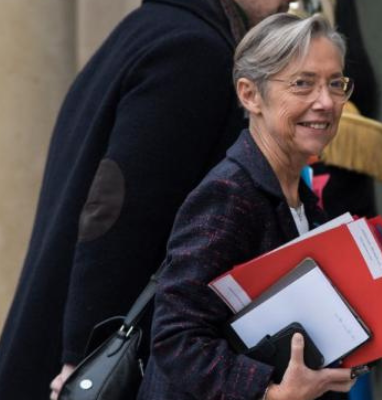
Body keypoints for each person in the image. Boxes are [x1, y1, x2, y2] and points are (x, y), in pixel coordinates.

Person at [0, 1, 291, 399]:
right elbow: (120, 214)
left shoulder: (149, 30)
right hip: (101, 368)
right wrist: (86, 356)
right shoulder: (191, 51)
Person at [138, 13, 357, 400]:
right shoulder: (229, 194)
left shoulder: (304, 202)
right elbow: (175, 338)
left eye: (335, 84)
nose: (326, 102)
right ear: (250, 94)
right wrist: (271, 395)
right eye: (303, 84)